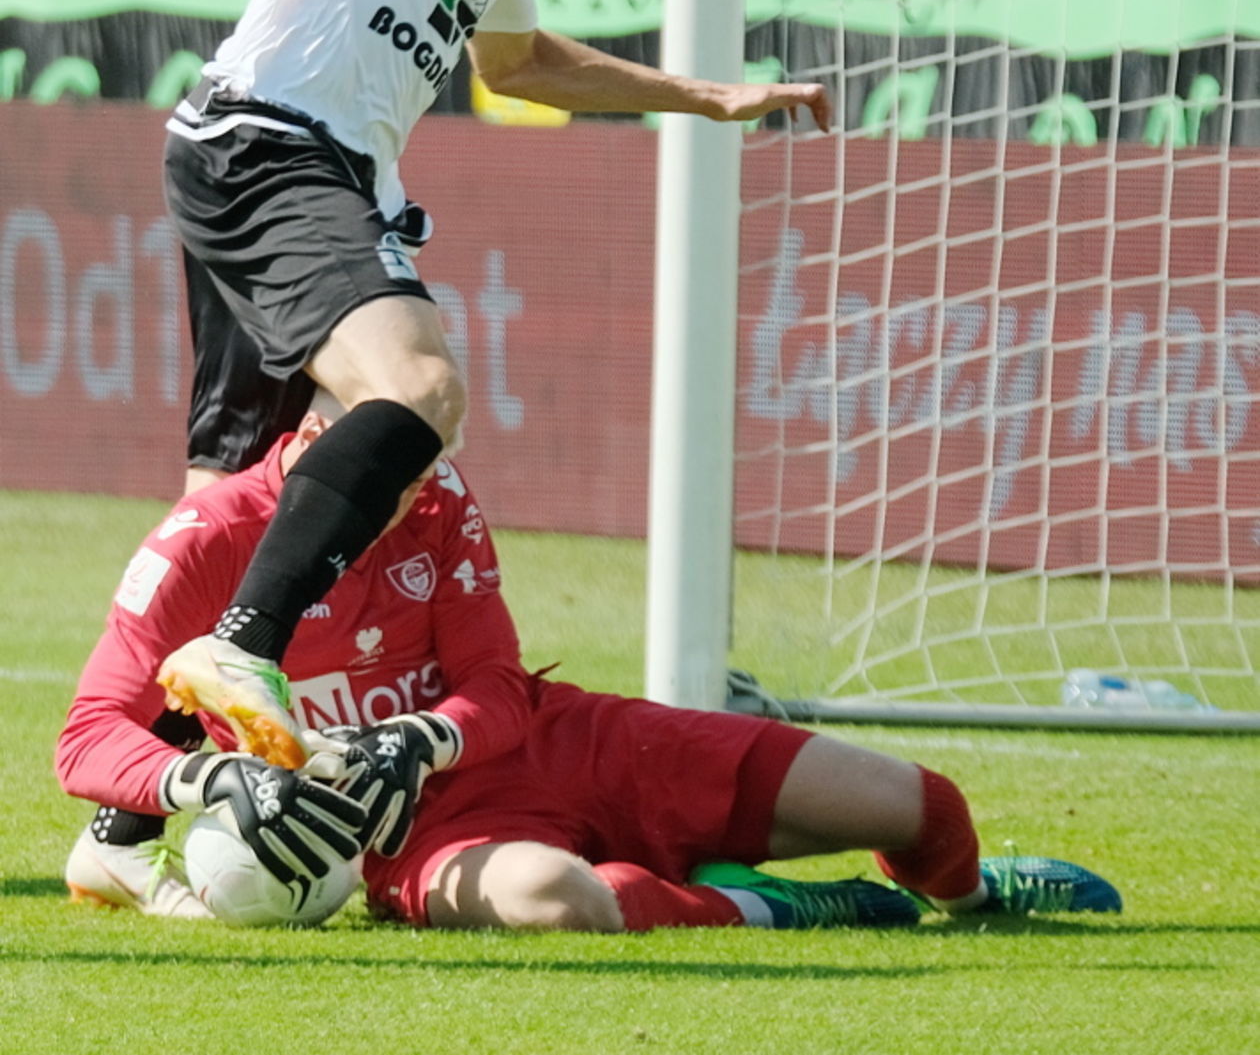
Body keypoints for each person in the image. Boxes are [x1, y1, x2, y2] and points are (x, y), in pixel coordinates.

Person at [157, 0, 833, 767]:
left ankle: (133, 808)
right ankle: (246, 646)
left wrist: (701, 94)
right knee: (416, 395)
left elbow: (515, 64)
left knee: (230, 497)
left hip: (278, 157)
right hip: (275, 144)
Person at [58, 403, 1122, 931]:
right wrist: (206, 778)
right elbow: (89, 733)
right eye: (393, 474)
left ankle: (981, 899)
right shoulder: (206, 539)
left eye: (424, 469)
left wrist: (420, 737)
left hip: (564, 744)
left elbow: (500, 688)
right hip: (412, 832)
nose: (419, 491)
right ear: (323, 449)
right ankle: (778, 907)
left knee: (918, 803)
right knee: (562, 902)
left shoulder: (437, 498)